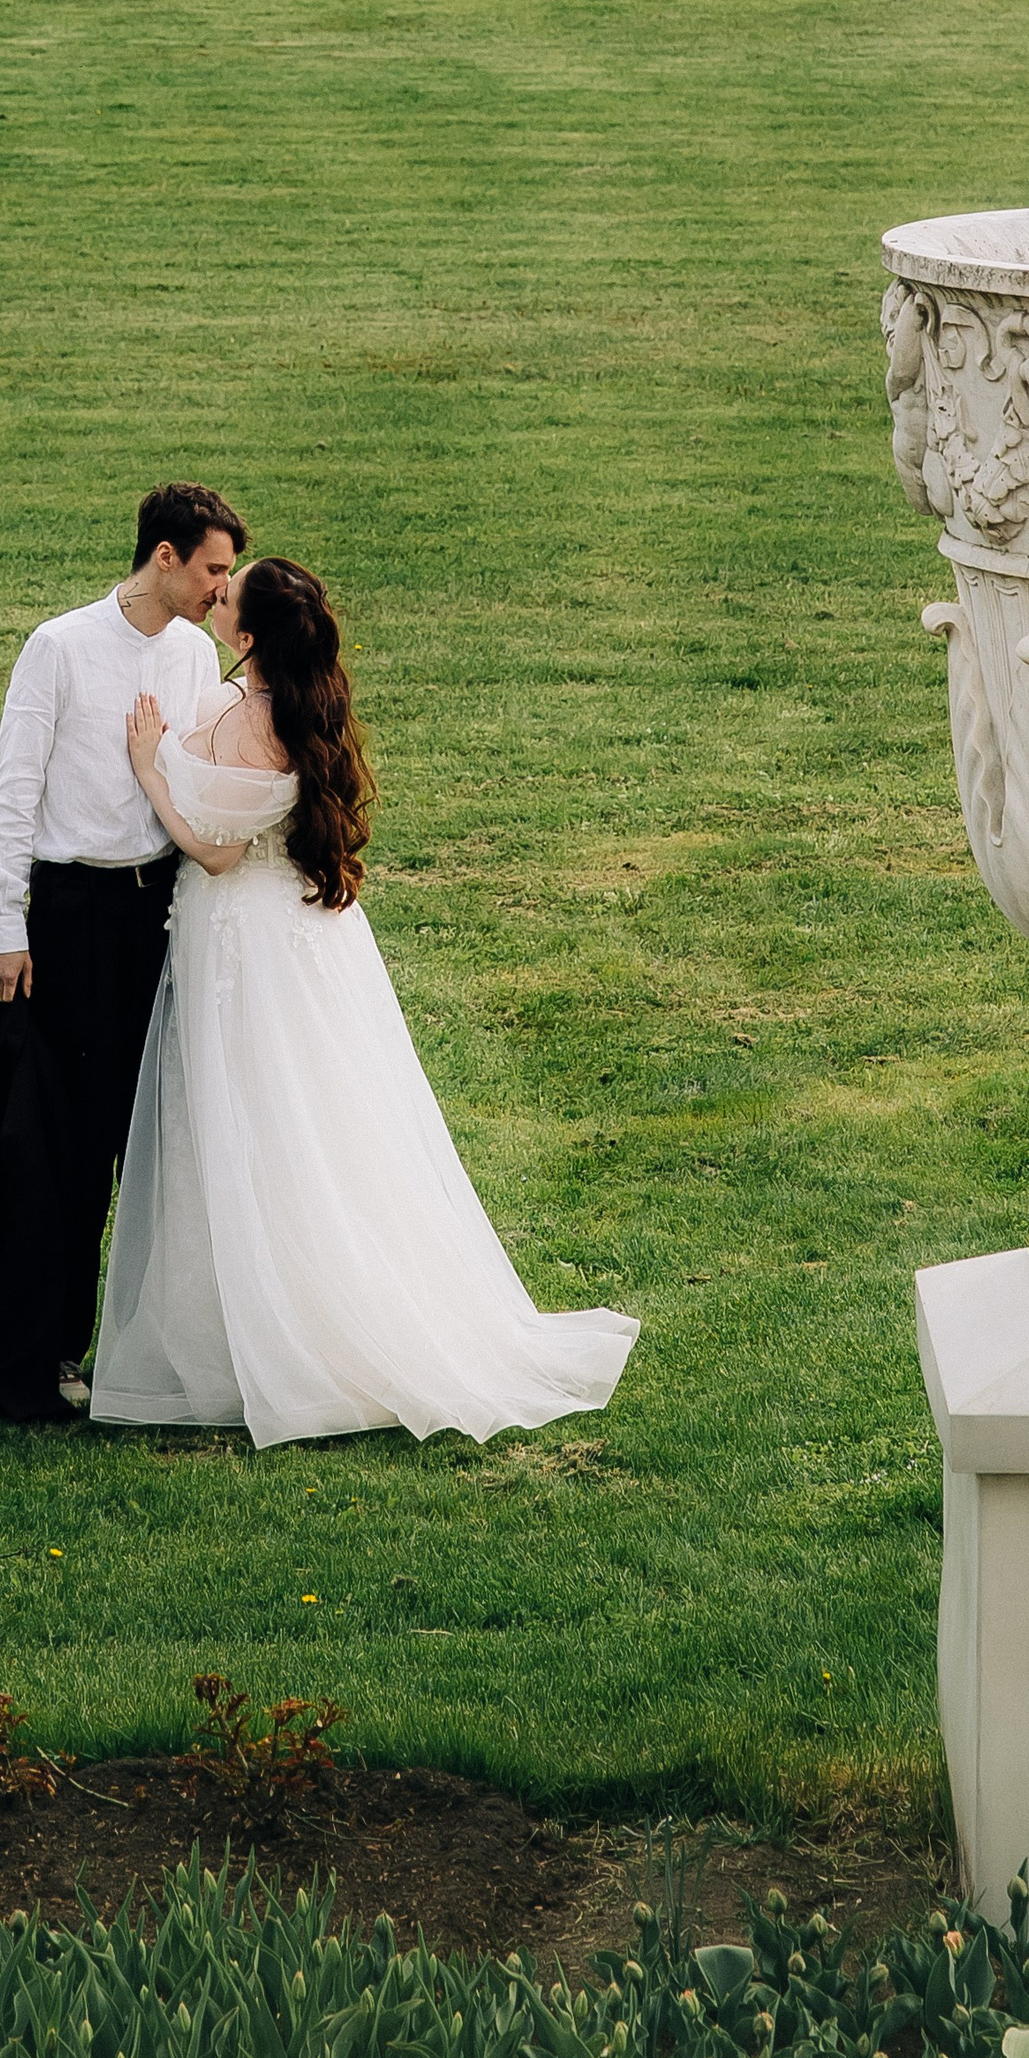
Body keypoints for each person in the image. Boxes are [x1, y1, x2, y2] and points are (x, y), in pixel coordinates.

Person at [90, 556, 637, 1445]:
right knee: (310, 1118)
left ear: (251, 633)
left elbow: (218, 852)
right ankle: (274, 1319)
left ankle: (280, 1337)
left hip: (244, 939)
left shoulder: (250, 720)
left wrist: (152, 769)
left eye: (228, 596)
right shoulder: (300, 710)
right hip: (301, 936)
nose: (215, 599)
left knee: (252, 1125)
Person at [0, 482, 245, 1428]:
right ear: (163, 556)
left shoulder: (198, 654)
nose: (222, 586)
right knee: (51, 1144)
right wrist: (6, 926)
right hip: (67, 919)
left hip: (157, 916)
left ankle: (110, 1346)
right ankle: (31, 1350)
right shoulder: (61, 646)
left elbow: (204, 783)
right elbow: (16, 787)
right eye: (212, 568)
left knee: (140, 1139)